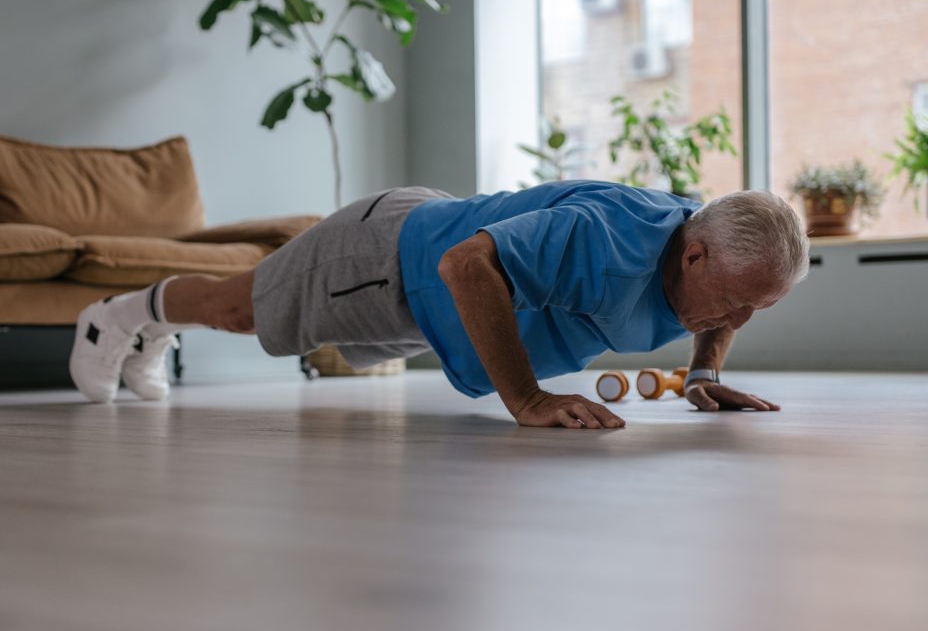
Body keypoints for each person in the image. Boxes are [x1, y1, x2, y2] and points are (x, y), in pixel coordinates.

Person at [69, 180, 810, 429]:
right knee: (242, 309)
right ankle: (121, 317)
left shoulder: (706, 248)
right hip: (393, 257)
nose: (735, 321)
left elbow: (723, 311)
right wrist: (526, 399)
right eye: (736, 302)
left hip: (421, 297)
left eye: (756, 312)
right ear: (695, 254)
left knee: (255, 311)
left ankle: (148, 328)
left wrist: (705, 374)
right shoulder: (605, 239)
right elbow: (465, 265)